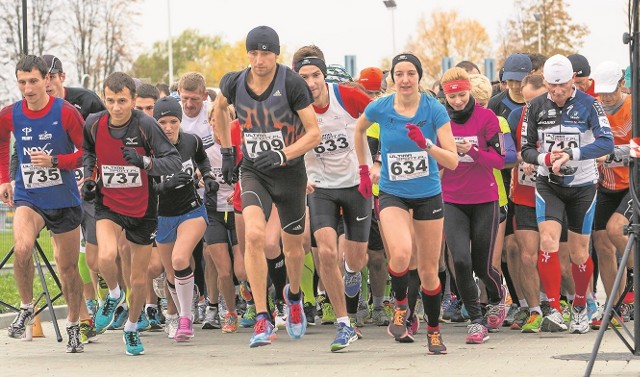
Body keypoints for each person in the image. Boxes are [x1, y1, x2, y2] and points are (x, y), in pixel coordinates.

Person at [214, 25, 321, 347]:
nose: (259, 60)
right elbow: (218, 108)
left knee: (292, 248)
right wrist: (228, 151)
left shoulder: (291, 83)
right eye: (254, 53)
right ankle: (263, 316)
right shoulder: (234, 82)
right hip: (254, 171)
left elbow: (313, 132)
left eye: (266, 54)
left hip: (289, 173)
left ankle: (294, 295)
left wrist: (283, 153)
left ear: (276, 54)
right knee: (256, 237)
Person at [354, 52, 458, 354]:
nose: (405, 79)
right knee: (400, 254)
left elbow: (451, 160)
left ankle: (434, 331)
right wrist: (364, 169)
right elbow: (358, 130)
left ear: (419, 77)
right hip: (392, 192)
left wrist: (425, 144)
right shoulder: (380, 107)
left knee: (428, 271)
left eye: (411, 73)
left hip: (428, 194)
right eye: (399, 74)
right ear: (392, 79)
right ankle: (401, 307)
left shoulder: (434, 109)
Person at [83, 72, 182, 355]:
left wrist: (143, 161)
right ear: (104, 98)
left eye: (122, 101)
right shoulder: (94, 124)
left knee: (139, 280)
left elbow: (173, 160)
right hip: (109, 203)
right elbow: (89, 153)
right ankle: (114, 295)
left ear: (134, 100)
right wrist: (91, 178)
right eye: (111, 101)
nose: (116, 107)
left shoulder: (146, 125)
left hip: (142, 208)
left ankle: (131, 327)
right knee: (104, 256)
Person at [520, 54, 614, 334]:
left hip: (583, 186)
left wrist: (572, 154)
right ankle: (555, 309)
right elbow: (526, 148)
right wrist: (546, 160)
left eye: (562, 85)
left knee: (578, 252)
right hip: (549, 184)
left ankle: (580, 307)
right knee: (548, 242)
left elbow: (606, 143)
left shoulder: (589, 104)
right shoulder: (535, 106)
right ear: (546, 82)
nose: (557, 92)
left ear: (573, 79)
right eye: (552, 86)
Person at [0, 55, 85, 353]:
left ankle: (74, 324)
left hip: (64, 200)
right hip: (29, 196)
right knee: (22, 248)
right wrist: (4, 179)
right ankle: (25, 308)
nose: (28, 87)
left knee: (68, 268)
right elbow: (1, 140)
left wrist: (56, 161)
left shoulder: (67, 112)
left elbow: (87, 153)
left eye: (33, 81)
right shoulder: (10, 113)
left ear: (47, 79)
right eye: (22, 82)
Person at [292, 45, 372, 351]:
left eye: (315, 75)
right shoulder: (295, 106)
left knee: (355, 259)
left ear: (324, 75)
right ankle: (343, 323)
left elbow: (380, 119)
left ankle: (352, 273)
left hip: (355, 184)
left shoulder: (347, 97)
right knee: (326, 252)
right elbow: (287, 142)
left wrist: (374, 163)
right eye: (304, 77)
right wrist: (301, 179)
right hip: (321, 187)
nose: (310, 83)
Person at [439, 67, 507, 344]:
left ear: (470, 92)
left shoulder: (486, 117)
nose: (457, 101)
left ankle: (499, 295)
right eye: (452, 96)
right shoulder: (440, 120)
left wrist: (473, 151)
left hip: (484, 199)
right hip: (452, 199)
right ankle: (476, 321)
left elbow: (500, 161)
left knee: (482, 264)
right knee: (460, 260)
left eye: (462, 95)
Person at [151, 96, 216, 341]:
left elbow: (202, 158)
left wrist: (208, 176)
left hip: (192, 211)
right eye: (162, 122)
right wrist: (163, 187)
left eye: (173, 121)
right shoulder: (149, 149)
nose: (168, 127)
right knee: (171, 273)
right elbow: (143, 188)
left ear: (180, 121)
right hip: (162, 216)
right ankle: (181, 308)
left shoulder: (191, 140)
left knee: (180, 259)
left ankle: (186, 319)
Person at [590, 61, 633, 328]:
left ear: (622, 85)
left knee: (616, 229)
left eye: (610, 92)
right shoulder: (594, 109)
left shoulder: (633, 107)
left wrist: (611, 155)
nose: (605, 98)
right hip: (606, 185)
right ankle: (614, 305)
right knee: (601, 242)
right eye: (601, 92)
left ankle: (633, 278)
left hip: (633, 183)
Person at [42, 54, 106, 119]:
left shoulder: (88, 100)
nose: (47, 84)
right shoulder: (33, 107)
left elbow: (107, 124)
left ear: (62, 77)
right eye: (42, 78)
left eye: (51, 77)